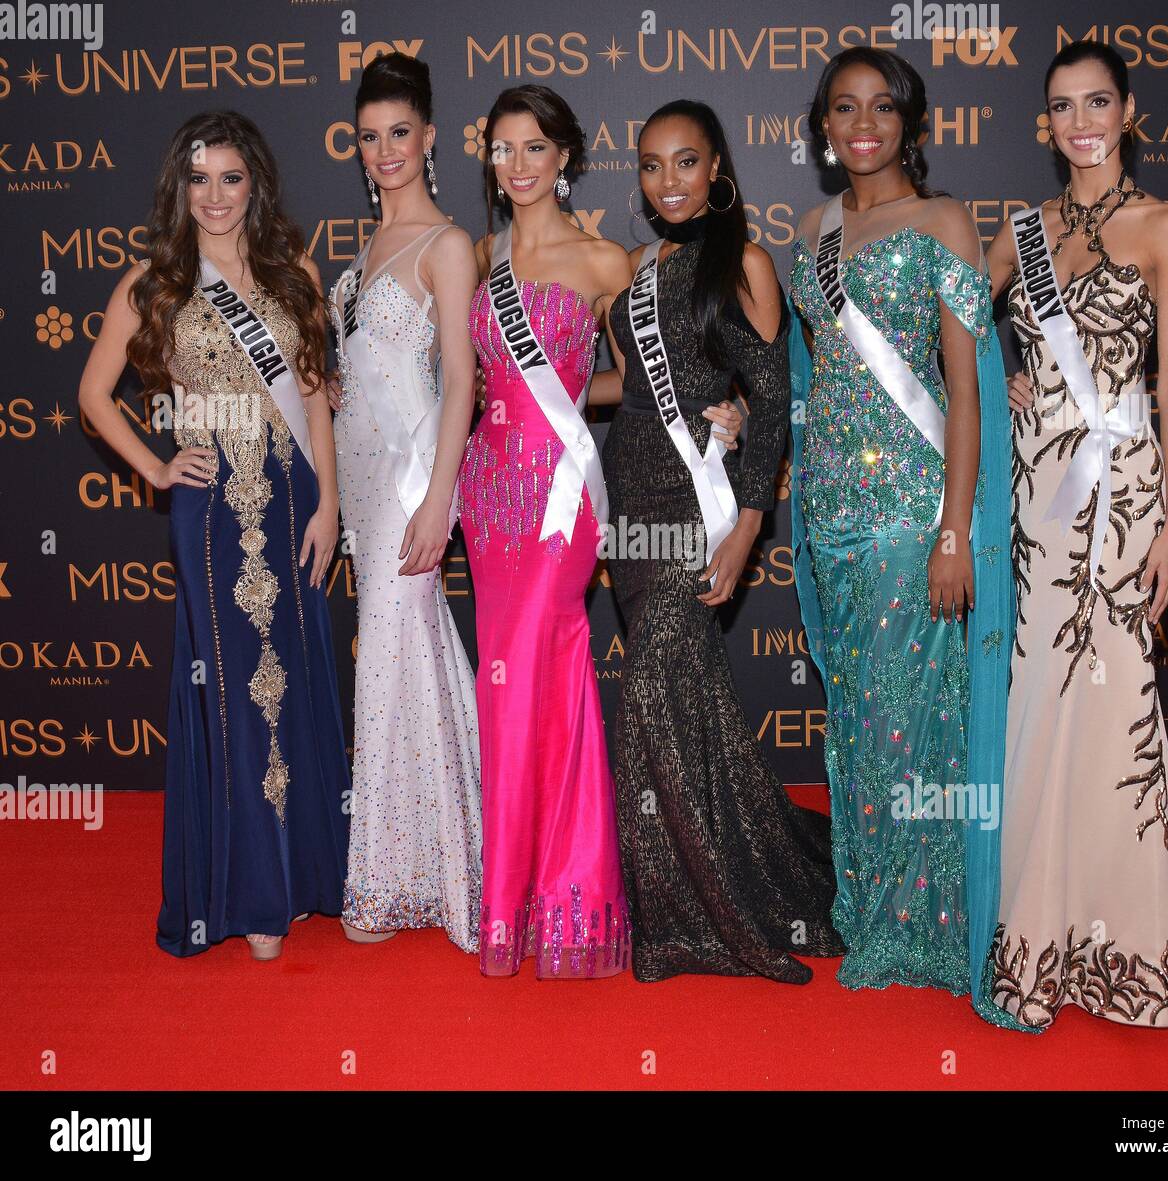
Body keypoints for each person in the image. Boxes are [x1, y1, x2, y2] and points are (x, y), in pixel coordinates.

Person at [981, 40, 1168, 1030]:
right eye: (1062, 106)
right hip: (1033, 493)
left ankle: (1129, 942)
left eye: (1097, 102)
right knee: (1040, 703)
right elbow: (956, 318)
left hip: (1120, 495)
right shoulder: (1023, 228)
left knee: (1113, 708)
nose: (1081, 121)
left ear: (1128, 110)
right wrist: (997, 380)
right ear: (1045, 123)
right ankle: (1035, 932)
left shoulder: (1165, 226)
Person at [78, 111, 349, 961]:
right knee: (233, 691)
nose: (216, 196)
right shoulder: (154, 281)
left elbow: (311, 391)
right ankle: (253, 893)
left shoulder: (290, 268)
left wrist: (329, 502)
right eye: (200, 179)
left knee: (299, 677)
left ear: (254, 184)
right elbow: (93, 396)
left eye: (231, 178)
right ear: (180, 186)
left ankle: (308, 875)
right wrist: (156, 468)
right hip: (211, 510)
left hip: (292, 491)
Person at [787, 47, 1014, 1006]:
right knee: (858, 725)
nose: (863, 123)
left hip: (909, 514)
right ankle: (874, 906)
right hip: (829, 515)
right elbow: (818, 380)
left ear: (908, 122)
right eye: (844, 107)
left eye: (882, 106)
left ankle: (925, 925)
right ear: (825, 128)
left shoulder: (946, 221)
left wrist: (954, 528)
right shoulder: (811, 228)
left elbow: (963, 392)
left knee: (914, 724)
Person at [601, 100, 842, 983]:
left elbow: (770, 405)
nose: (669, 181)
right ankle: (695, 883)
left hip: (697, 506)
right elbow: (625, 390)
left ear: (717, 169)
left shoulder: (744, 261)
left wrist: (746, 528)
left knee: (656, 689)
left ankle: (706, 905)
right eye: (653, 165)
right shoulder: (633, 267)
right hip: (631, 495)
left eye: (686, 162)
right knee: (682, 695)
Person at [459, 85, 633, 978]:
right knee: (515, 687)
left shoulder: (606, 264)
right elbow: (467, 379)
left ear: (565, 156)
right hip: (485, 496)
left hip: (562, 499)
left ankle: (553, 900)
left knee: (535, 669)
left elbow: (640, 384)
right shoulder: (483, 256)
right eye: (502, 150)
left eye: (534, 148)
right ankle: (522, 900)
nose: (518, 166)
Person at [327, 52, 482, 948]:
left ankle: (392, 876)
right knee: (403, 658)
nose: (384, 151)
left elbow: (460, 382)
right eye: (368, 137)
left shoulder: (448, 244)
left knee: (390, 659)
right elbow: (373, 368)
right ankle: (442, 850)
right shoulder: (359, 250)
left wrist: (438, 502)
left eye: (398, 134)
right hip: (359, 482)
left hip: (411, 484)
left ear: (427, 138)